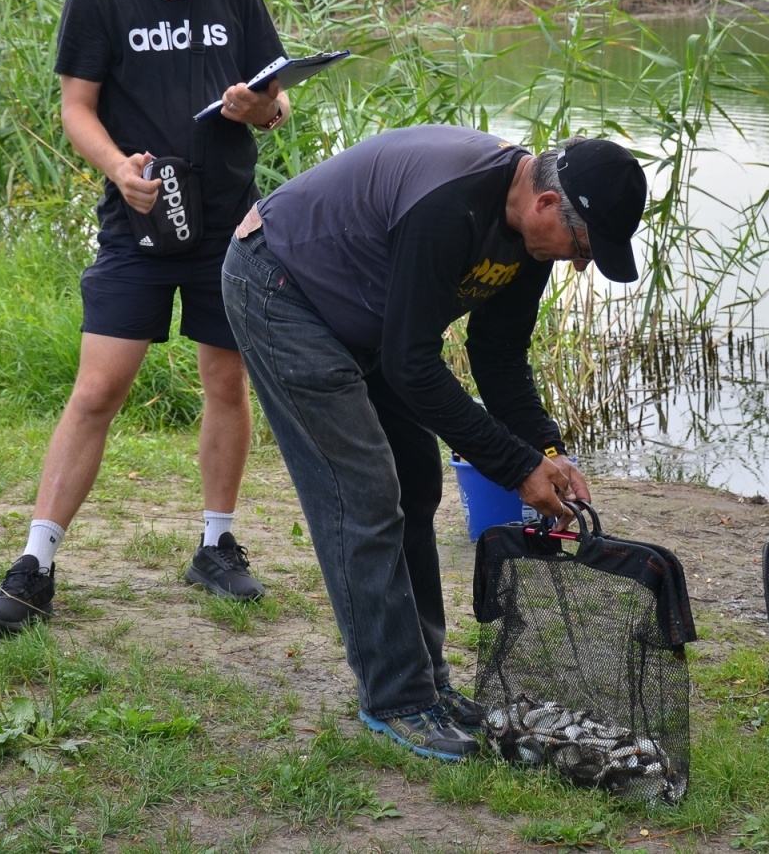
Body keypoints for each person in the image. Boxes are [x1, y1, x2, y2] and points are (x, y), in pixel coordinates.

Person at [221, 126, 647, 760]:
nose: (580, 262)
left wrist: (545, 451)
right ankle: (395, 698)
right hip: (281, 288)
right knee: (363, 491)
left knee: (417, 480)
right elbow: (412, 364)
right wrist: (512, 466)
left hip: (363, 318)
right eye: (582, 245)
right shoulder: (451, 205)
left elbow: (498, 356)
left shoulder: (530, 244)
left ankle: (428, 686)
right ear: (548, 205)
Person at [0, 0, 290, 634]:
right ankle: (34, 565)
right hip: (137, 223)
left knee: (226, 383)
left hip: (229, 225)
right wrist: (119, 169)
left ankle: (217, 547)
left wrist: (258, 110)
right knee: (97, 390)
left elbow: (276, 105)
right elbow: (75, 107)